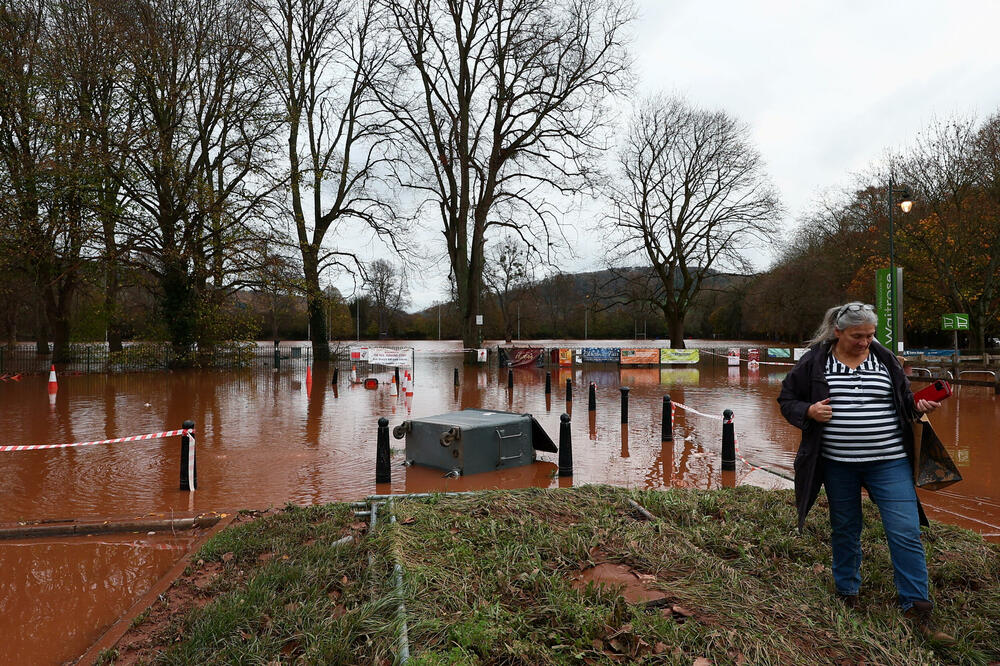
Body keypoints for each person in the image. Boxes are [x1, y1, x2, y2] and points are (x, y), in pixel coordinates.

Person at [777, 302, 953, 642]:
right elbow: (787, 400)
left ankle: (917, 610)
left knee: (905, 530)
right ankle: (847, 594)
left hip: (890, 462)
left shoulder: (884, 359)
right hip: (837, 464)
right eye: (857, 336)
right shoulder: (814, 362)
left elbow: (903, 404)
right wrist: (809, 411)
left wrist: (919, 407)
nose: (865, 342)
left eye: (870, 335)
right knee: (845, 526)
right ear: (837, 332)